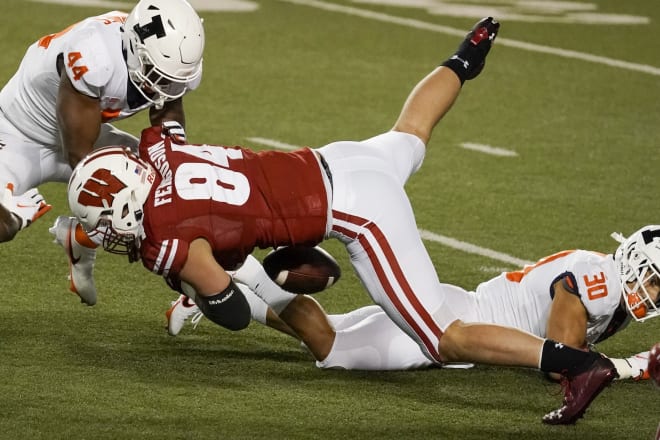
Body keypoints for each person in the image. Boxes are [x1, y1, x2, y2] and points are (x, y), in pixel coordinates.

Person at [65, 17, 619, 424]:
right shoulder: (161, 150)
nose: (111, 236)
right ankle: (465, 58)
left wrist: (198, 278)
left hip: (357, 211)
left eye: (109, 226)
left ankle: (577, 363)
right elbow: (169, 104)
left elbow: (232, 312)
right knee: (410, 132)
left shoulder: (165, 237)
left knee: (444, 338)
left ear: (125, 208)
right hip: (338, 159)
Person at [167, 233, 657, 381]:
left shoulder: (603, 276)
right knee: (331, 346)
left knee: (332, 328)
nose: (652, 294)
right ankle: (240, 269)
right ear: (633, 260)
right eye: (654, 281)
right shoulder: (597, 282)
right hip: (454, 323)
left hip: (460, 308)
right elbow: (562, 362)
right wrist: (633, 365)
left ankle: (219, 284)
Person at [0, 0, 204, 305]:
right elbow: (80, 157)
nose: (163, 85)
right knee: (5, 226)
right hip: (16, 136)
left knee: (176, 193)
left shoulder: (168, 58)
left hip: (88, 135)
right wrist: (126, 216)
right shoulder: (94, 56)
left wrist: (174, 168)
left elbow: (168, 110)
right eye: (156, 73)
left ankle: (196, 284)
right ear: (135, 49)